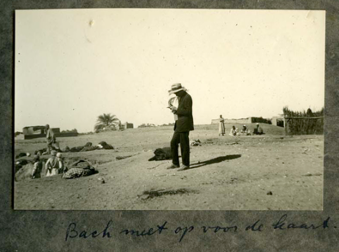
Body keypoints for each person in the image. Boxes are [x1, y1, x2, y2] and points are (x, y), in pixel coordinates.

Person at [167, 83, 194, 171]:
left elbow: (188, 112)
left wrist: (176, 110)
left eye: (176, 92)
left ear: (181, 91)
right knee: (173, 142)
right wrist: (174, 110)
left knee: (184, 145)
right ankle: (175, 163)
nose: (175, 94)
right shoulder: (180, 97)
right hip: (179, 124)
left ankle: (185, 164)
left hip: (185, 124)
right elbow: (181, 110)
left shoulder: (187, 97)